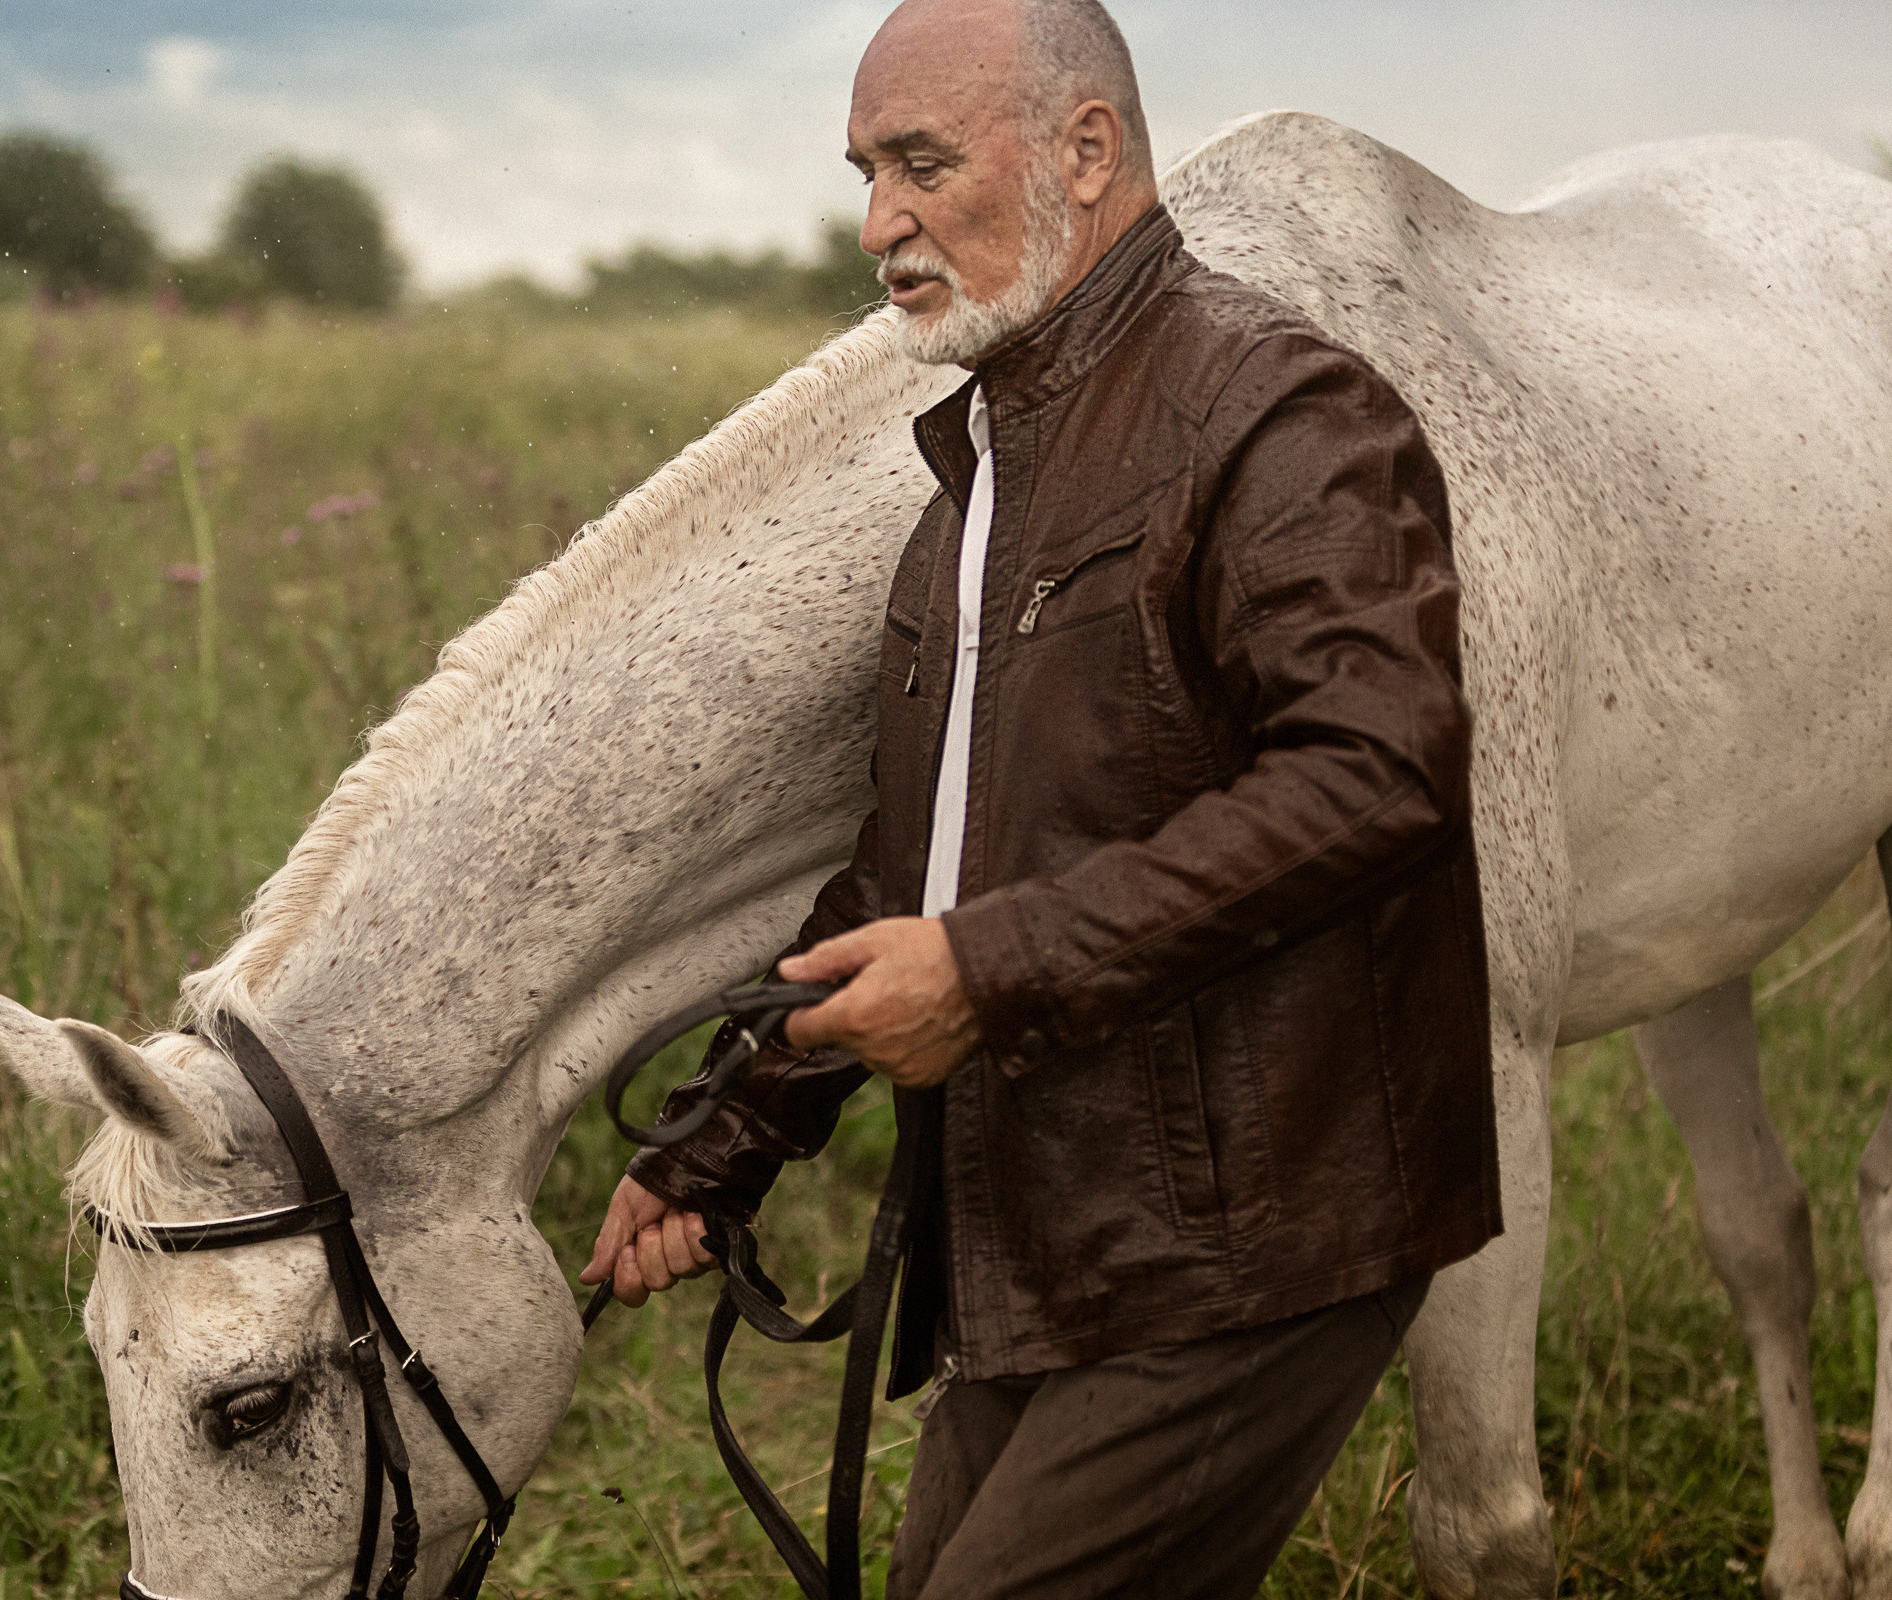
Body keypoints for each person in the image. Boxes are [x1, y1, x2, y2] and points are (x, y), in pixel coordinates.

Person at [580, 0, 1501, 1593]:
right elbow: (907, 870)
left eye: (924, 164)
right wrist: (723, 1135)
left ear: (1088, 149)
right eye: (867, 174)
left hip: (1251, 1242)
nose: (880, 224)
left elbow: (1382, 770)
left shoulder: (1279, 411)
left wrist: (990, 973)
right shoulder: (976, 488)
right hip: (1041, 1234)